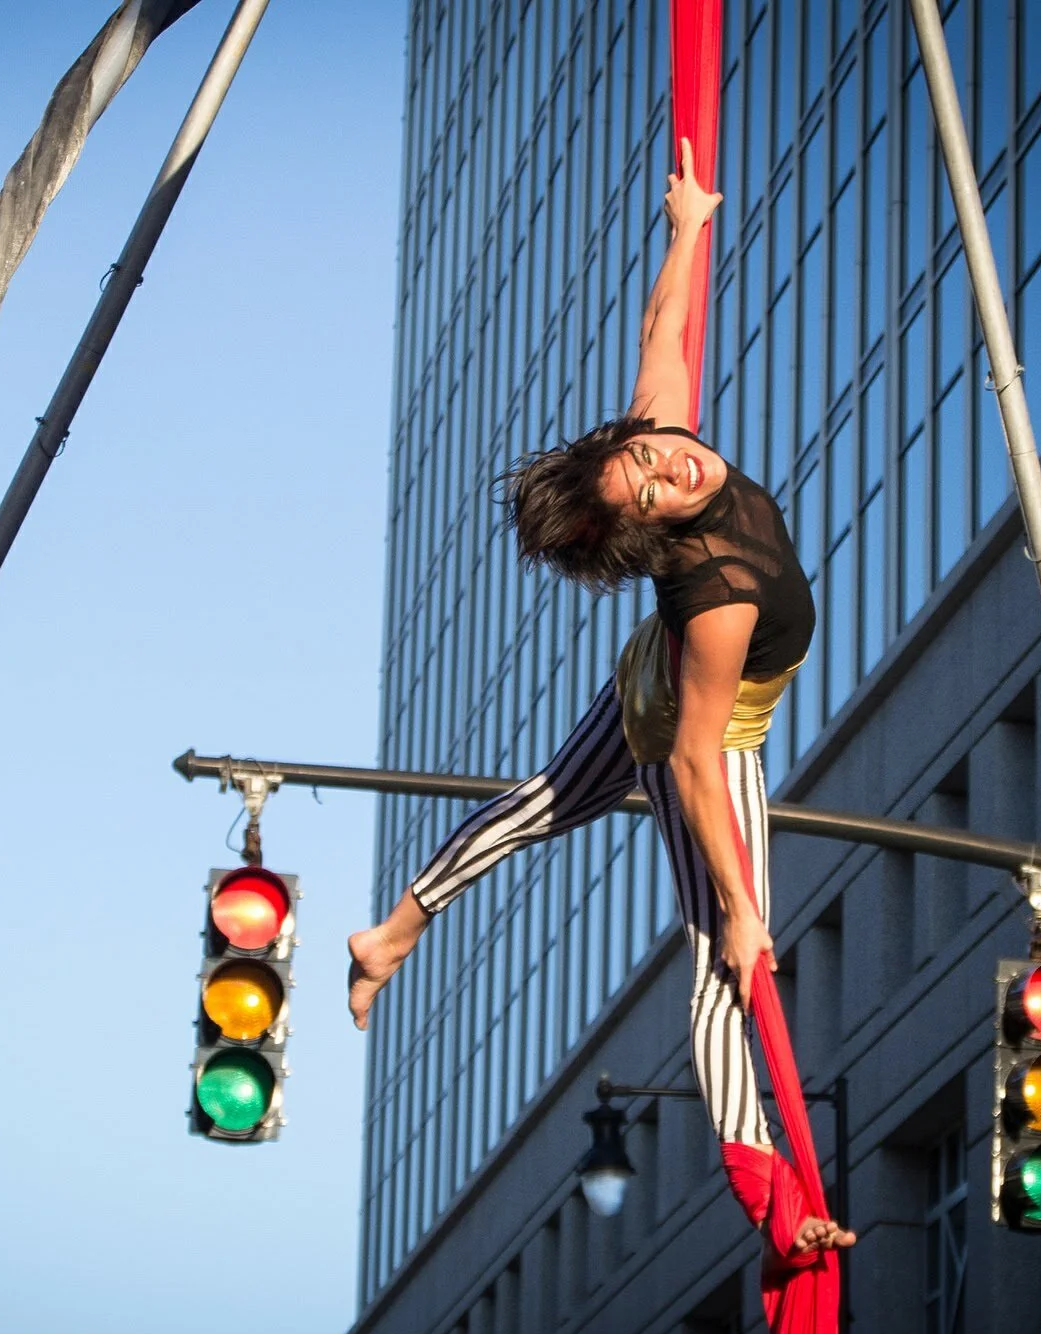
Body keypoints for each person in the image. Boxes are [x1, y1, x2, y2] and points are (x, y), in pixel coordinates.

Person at [346, 140, 855, 1263]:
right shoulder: (714, 588)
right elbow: (688, 760)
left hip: (643, 686)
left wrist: (685, 226)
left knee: (536, 804)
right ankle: (776, 1206)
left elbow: (660, 338)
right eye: (651, 490)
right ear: (651, 535)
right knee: (726, 961)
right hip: (695, 739)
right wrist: (737, 901)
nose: (671, 469)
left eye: (650, 460)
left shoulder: (655, 440)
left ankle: (392, 930)